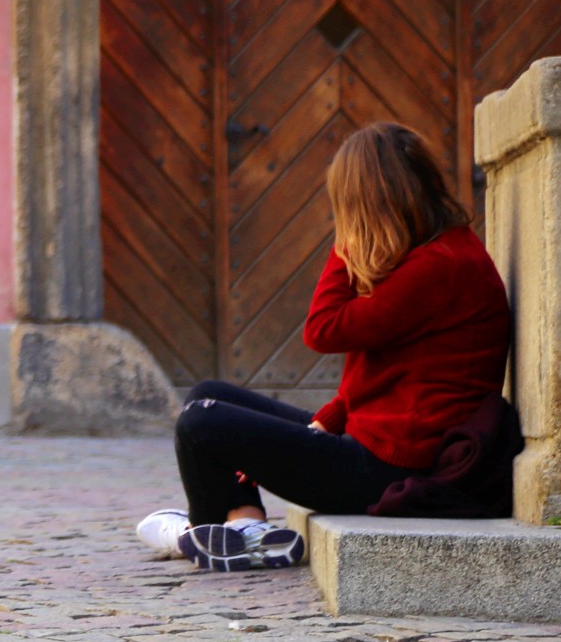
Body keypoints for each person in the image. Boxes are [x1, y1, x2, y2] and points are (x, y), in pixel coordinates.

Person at [135, 122, 512, 571]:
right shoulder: (436, 252)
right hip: (377, 446)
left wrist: (347, 240)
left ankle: (202, 533)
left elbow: (324, 328)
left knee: (201, 423)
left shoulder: (439, 266)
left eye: (347, 208)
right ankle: (246, 526)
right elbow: (402, 367)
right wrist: (330, 418)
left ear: (367, 203)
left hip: (388, 471)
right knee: (206, 395)